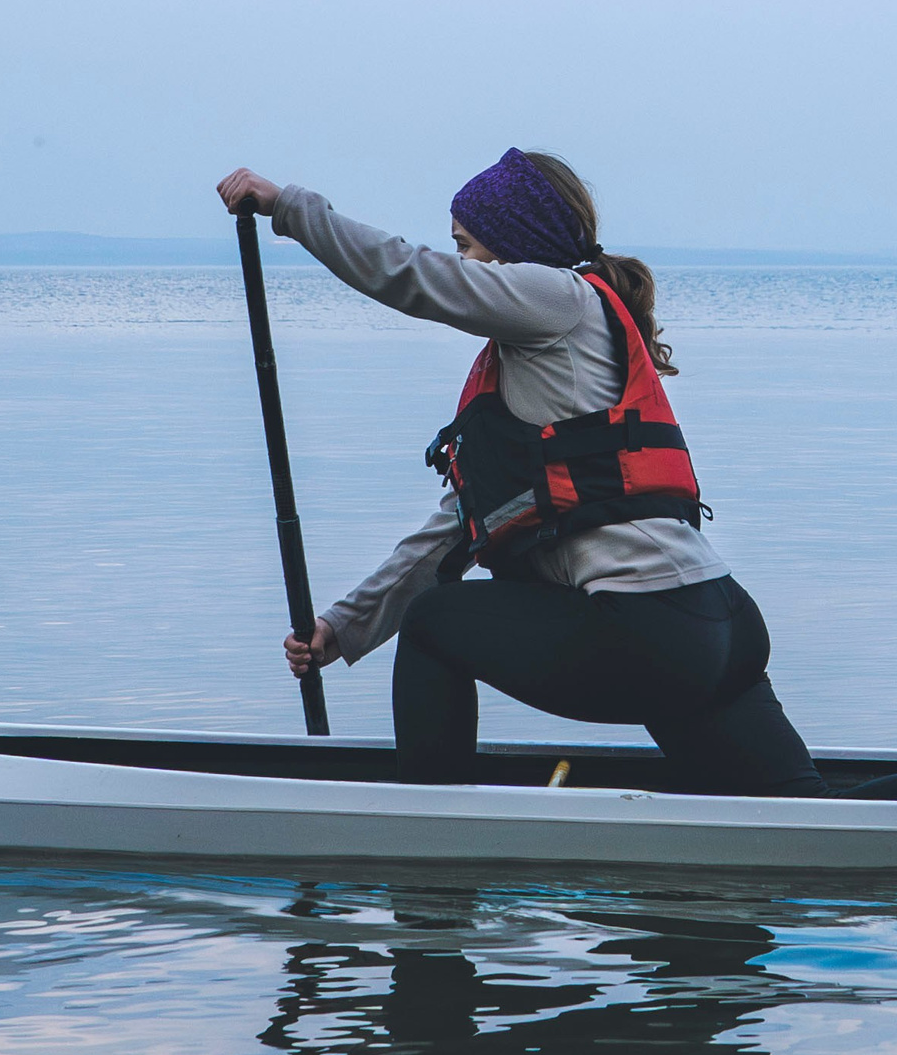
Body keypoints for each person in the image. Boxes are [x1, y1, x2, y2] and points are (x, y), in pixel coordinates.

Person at [213, 151, 829, 797]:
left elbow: (411, 276)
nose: (460, 267)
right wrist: (341, 627)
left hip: (654, 631)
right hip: (718, 626)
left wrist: (288, 207)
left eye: (466, 247)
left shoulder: (556, 296)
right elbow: (454, 530)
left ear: (514, 245)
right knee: (812, 819)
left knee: (433, 626)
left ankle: (435, 861)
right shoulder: (535, 374)